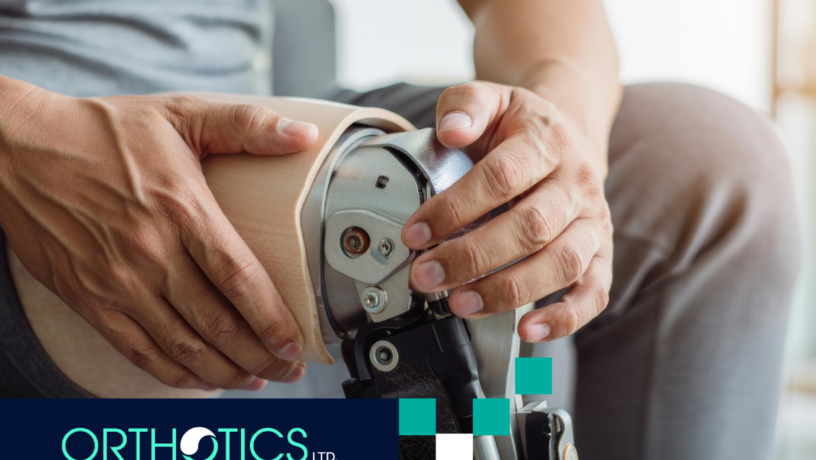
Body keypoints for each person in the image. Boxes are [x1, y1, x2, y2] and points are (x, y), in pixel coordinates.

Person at [0, 1, 799, 459]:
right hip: (26, 152)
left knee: (709, 172)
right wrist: (20, 132)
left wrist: (563, 140)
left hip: (251, 140)